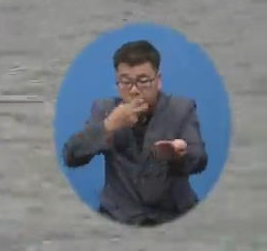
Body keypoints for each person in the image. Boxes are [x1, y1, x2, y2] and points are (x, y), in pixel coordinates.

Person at [62, 40, 208, 226]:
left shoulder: (181, 109)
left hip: (173, 214)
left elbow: (200, 159)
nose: (134, 90)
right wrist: (108, 126)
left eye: (143, 81)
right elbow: (71, 156)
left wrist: (178, 154)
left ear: (158, 81)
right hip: (118, 216)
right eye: (125, 82)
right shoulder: (105, 109)